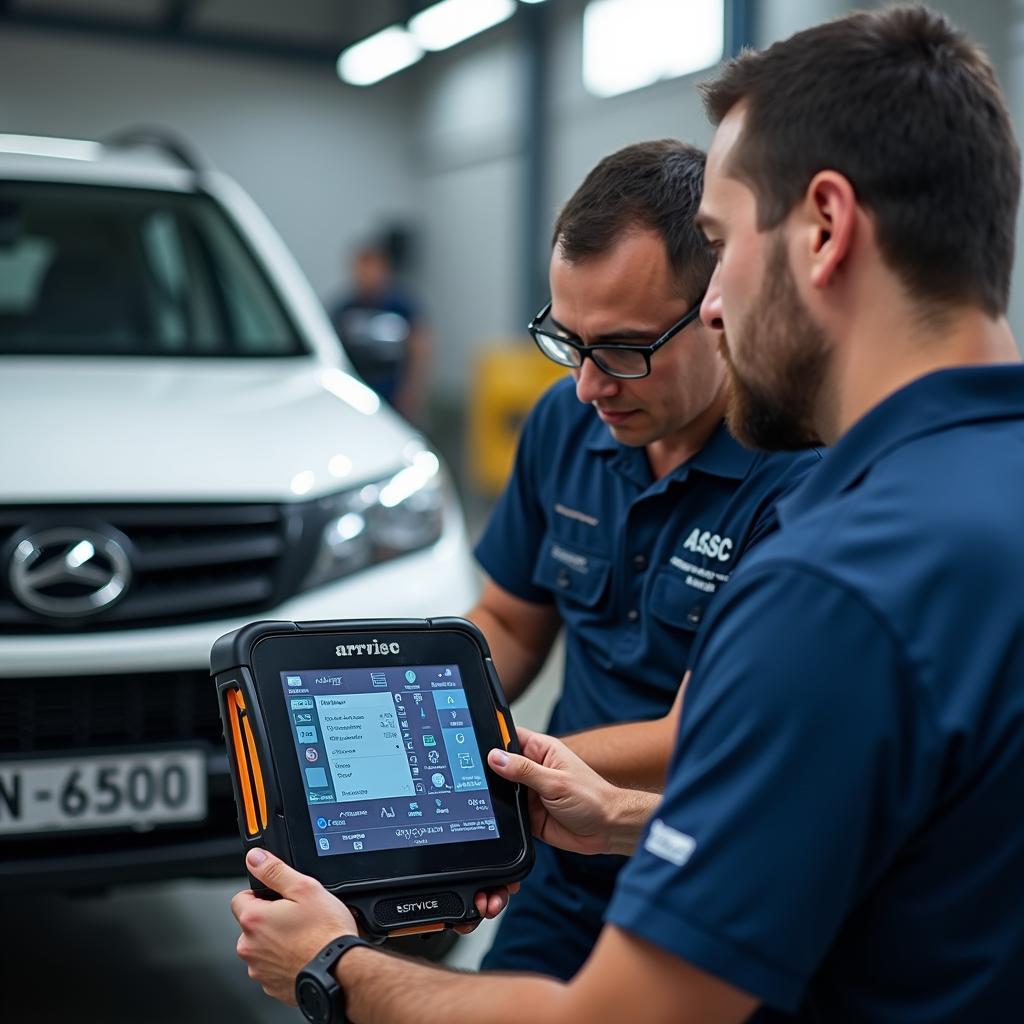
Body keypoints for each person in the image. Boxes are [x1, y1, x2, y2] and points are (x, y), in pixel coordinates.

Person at [232, 5, 1024, 1021]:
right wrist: (611, 819)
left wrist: (333, 966)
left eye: (720, 242)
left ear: (823, 228)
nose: (719, 304)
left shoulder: (832, 582)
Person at [464, 139, 819, 978]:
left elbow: (691, 734)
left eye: (623, 349)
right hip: (564, 844)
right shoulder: (565, 421)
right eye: (567, 342)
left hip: (702, 857)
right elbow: (512, 617)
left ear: (720, 304)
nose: (590, 386)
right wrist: (424, 702)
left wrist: (486, 756)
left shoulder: (801, 476)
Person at [329, 242, 431, 422]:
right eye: (361, 268)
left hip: (392, 393)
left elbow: (420, 348)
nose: (366, 275)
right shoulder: (345, 309)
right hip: (357, 392)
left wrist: (411, 391)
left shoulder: (401, 307)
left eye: (372, 268)